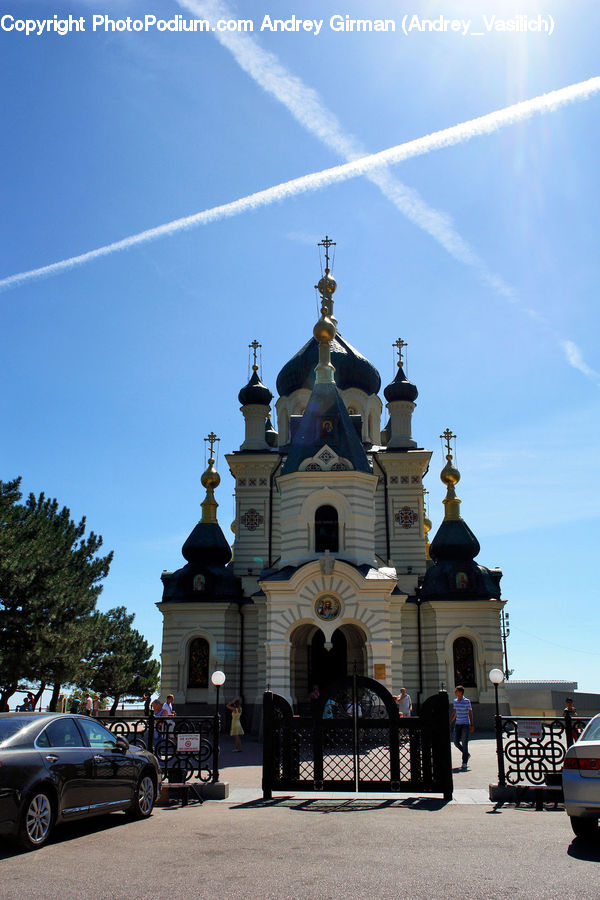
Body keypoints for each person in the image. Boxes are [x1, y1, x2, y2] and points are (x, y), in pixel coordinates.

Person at [450, 685, 473, 771]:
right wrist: (450, 721)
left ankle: (464, 762)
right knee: (456, 742)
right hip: (458, 724)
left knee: (464, 742)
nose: (455, 692)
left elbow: (470, 713)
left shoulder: (467, 701)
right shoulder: (455, 701)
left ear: (460, 692)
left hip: (465, 724)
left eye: (456, 691)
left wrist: (472, 724)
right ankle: (466, 754)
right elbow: (454, 712)